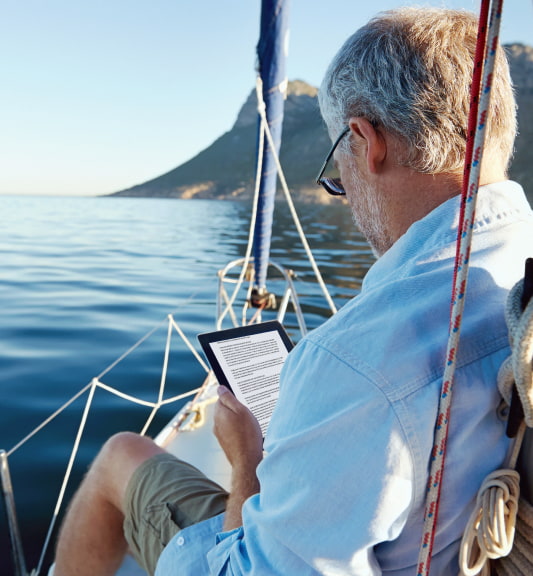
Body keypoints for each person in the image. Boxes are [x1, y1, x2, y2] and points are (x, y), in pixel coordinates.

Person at [54, 7, 533, 576]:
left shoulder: (354, 366)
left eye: (337, 174)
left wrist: (249, 467)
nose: (346, 197)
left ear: (365, 141)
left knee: (120, 455)